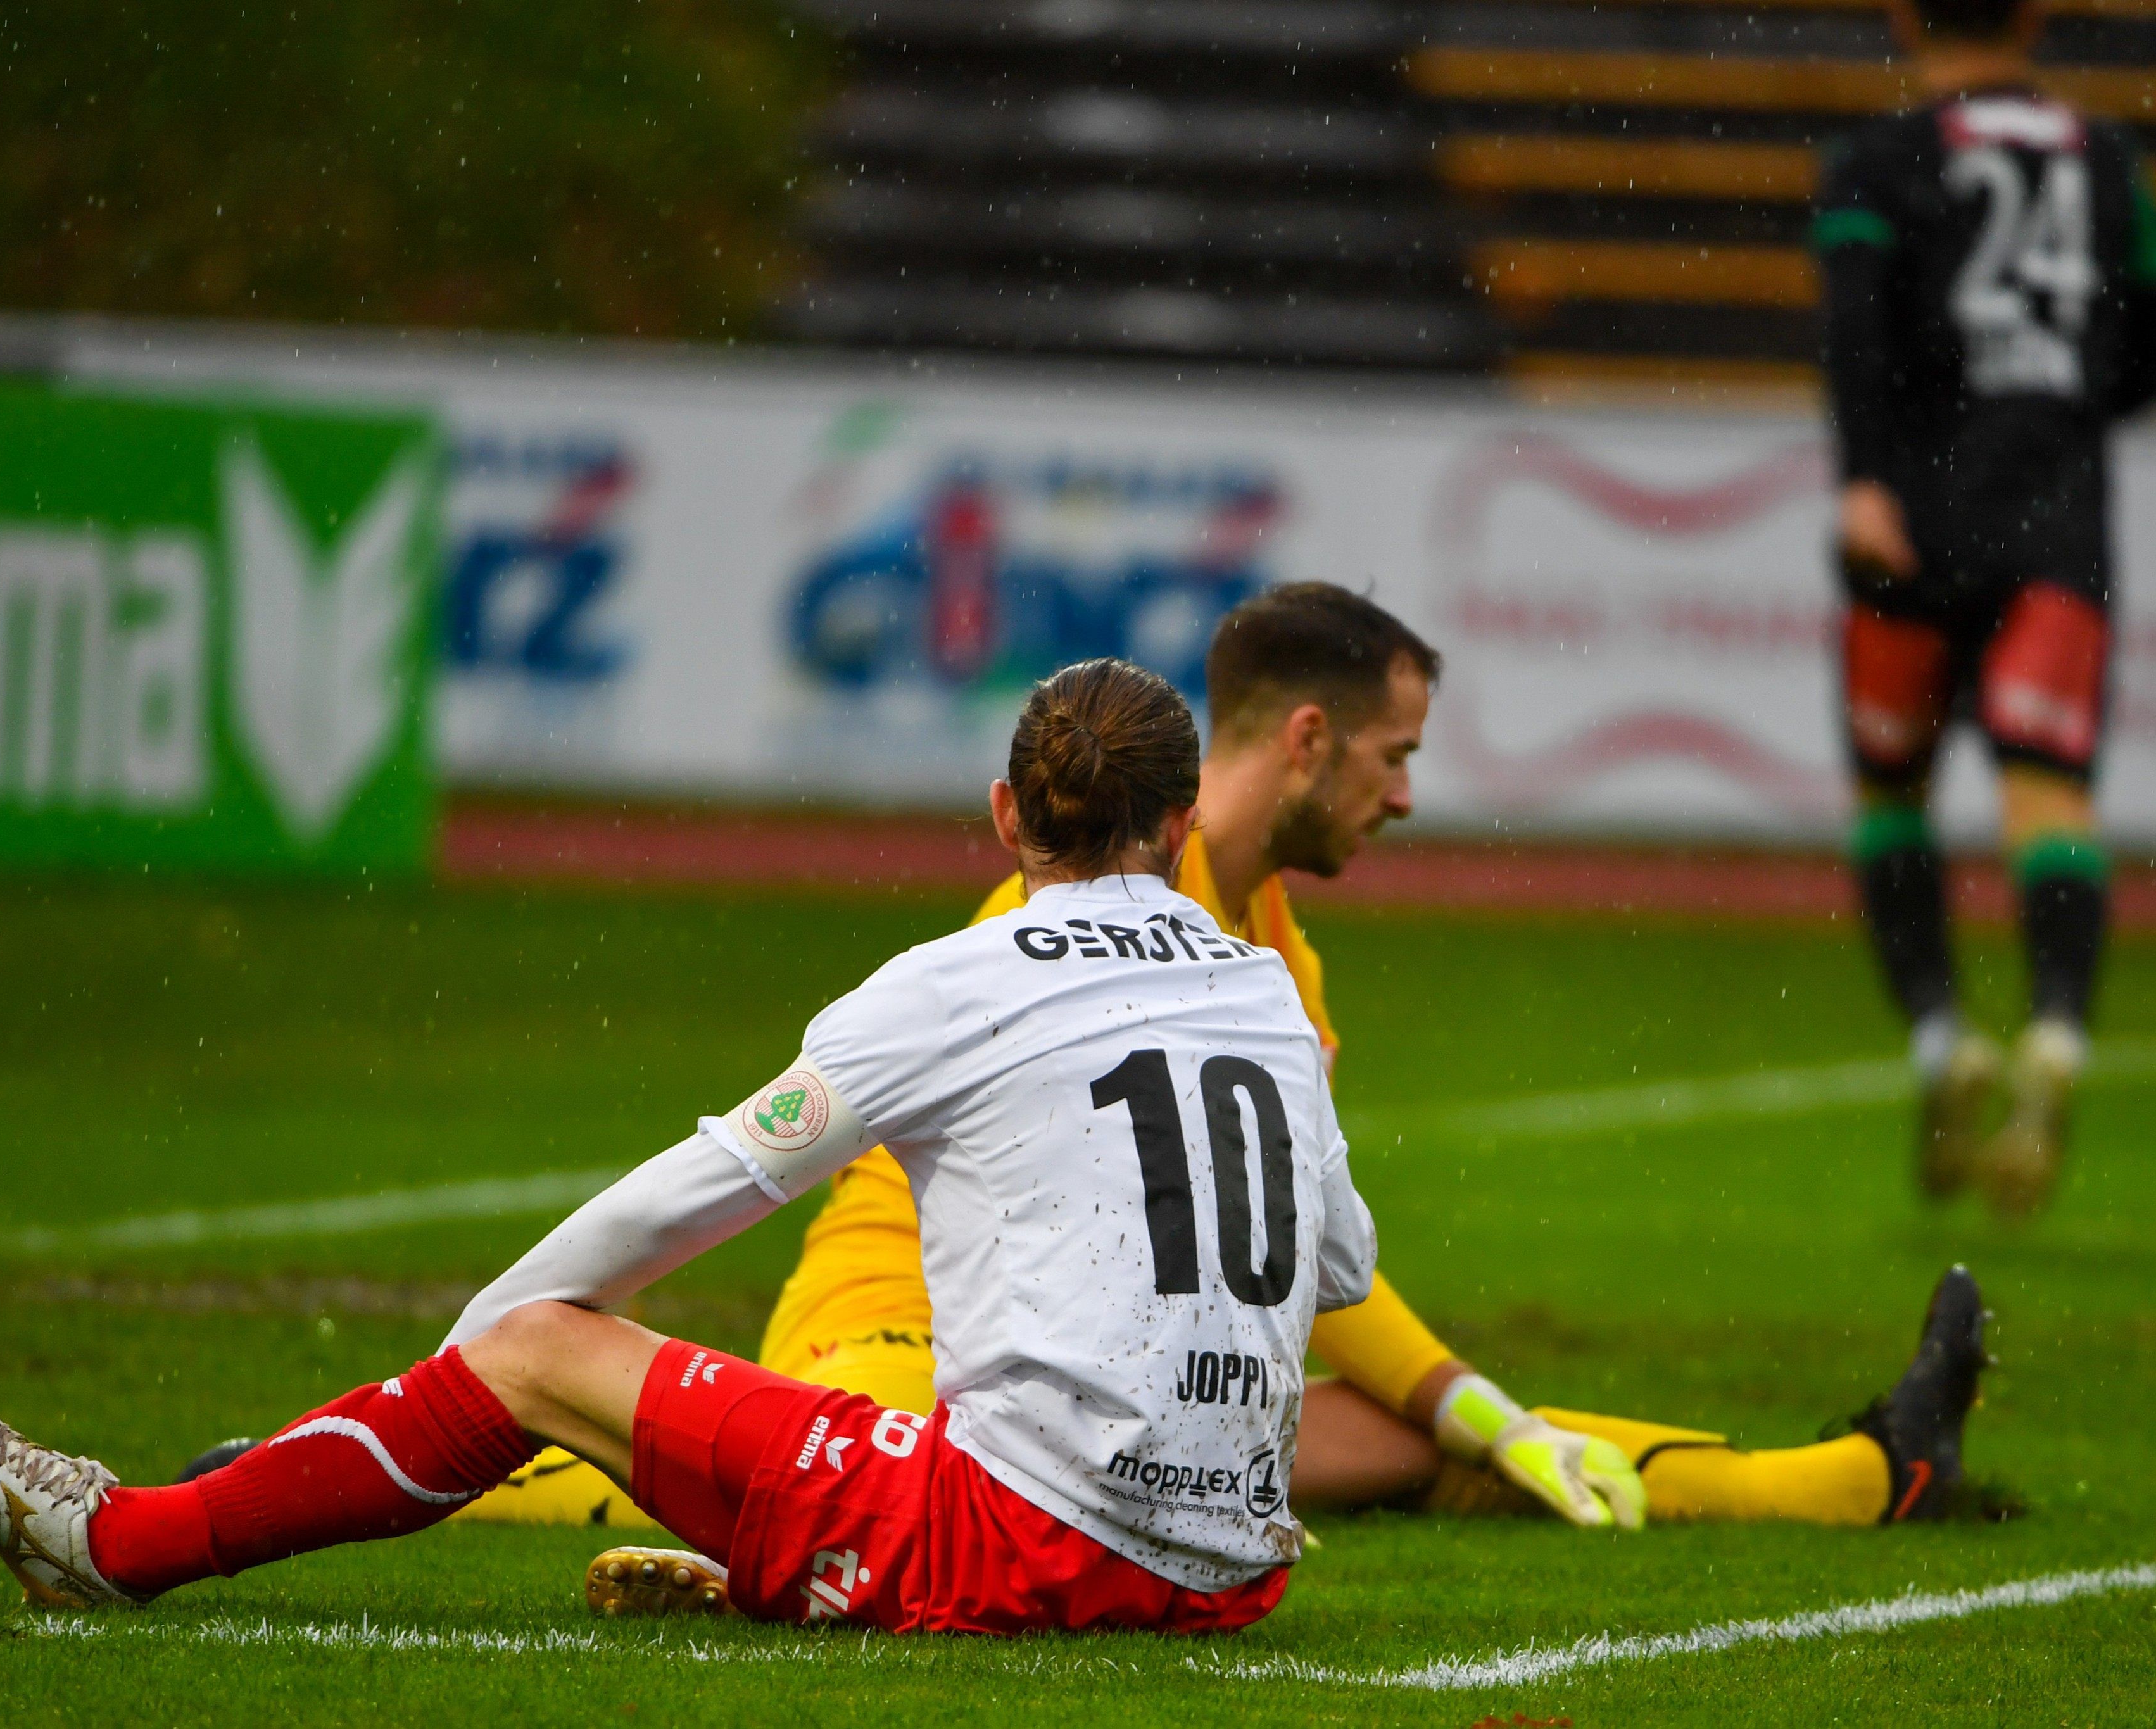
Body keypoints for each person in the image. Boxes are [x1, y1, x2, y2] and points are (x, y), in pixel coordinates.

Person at [470, 584, 1989, 1541]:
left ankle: (1858, 1478)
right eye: (1398, 756)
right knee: (878, 1464)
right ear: (1313, 739)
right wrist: (1476, 1401)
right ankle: (487, 1461)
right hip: (908, 1333)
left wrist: (1465, 1408)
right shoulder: (1071, 921)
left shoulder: (1269, 945)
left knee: (1423, 1438)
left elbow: (1256, 1249)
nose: (1407, 796)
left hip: (1099, 1351)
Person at [0, 660, 1382, 1632]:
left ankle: (118, 1546)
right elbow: (1336, 1266)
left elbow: (705, 1187)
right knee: (880, 1427)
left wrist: (484, 1354)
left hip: (1026, 1548)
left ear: (1006, 812)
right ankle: (784, 1564)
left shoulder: (956, 979)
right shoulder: (1260, 986)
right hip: (1235, 1573)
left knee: (545, 1350)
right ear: (1186, 821)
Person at [1816, 0, 2156, 1213]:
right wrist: (2060, 412)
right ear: (2036, 17)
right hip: (2059, 519)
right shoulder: (2109, 159)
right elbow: (2142, 341)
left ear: (1905, 16)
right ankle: (2056, 1035)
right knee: (2047, 793)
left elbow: (1854, 329)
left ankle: (1939, 1037)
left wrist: (1866, 477)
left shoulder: (1879, 160)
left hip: (1910, 512)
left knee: (1890, 788)